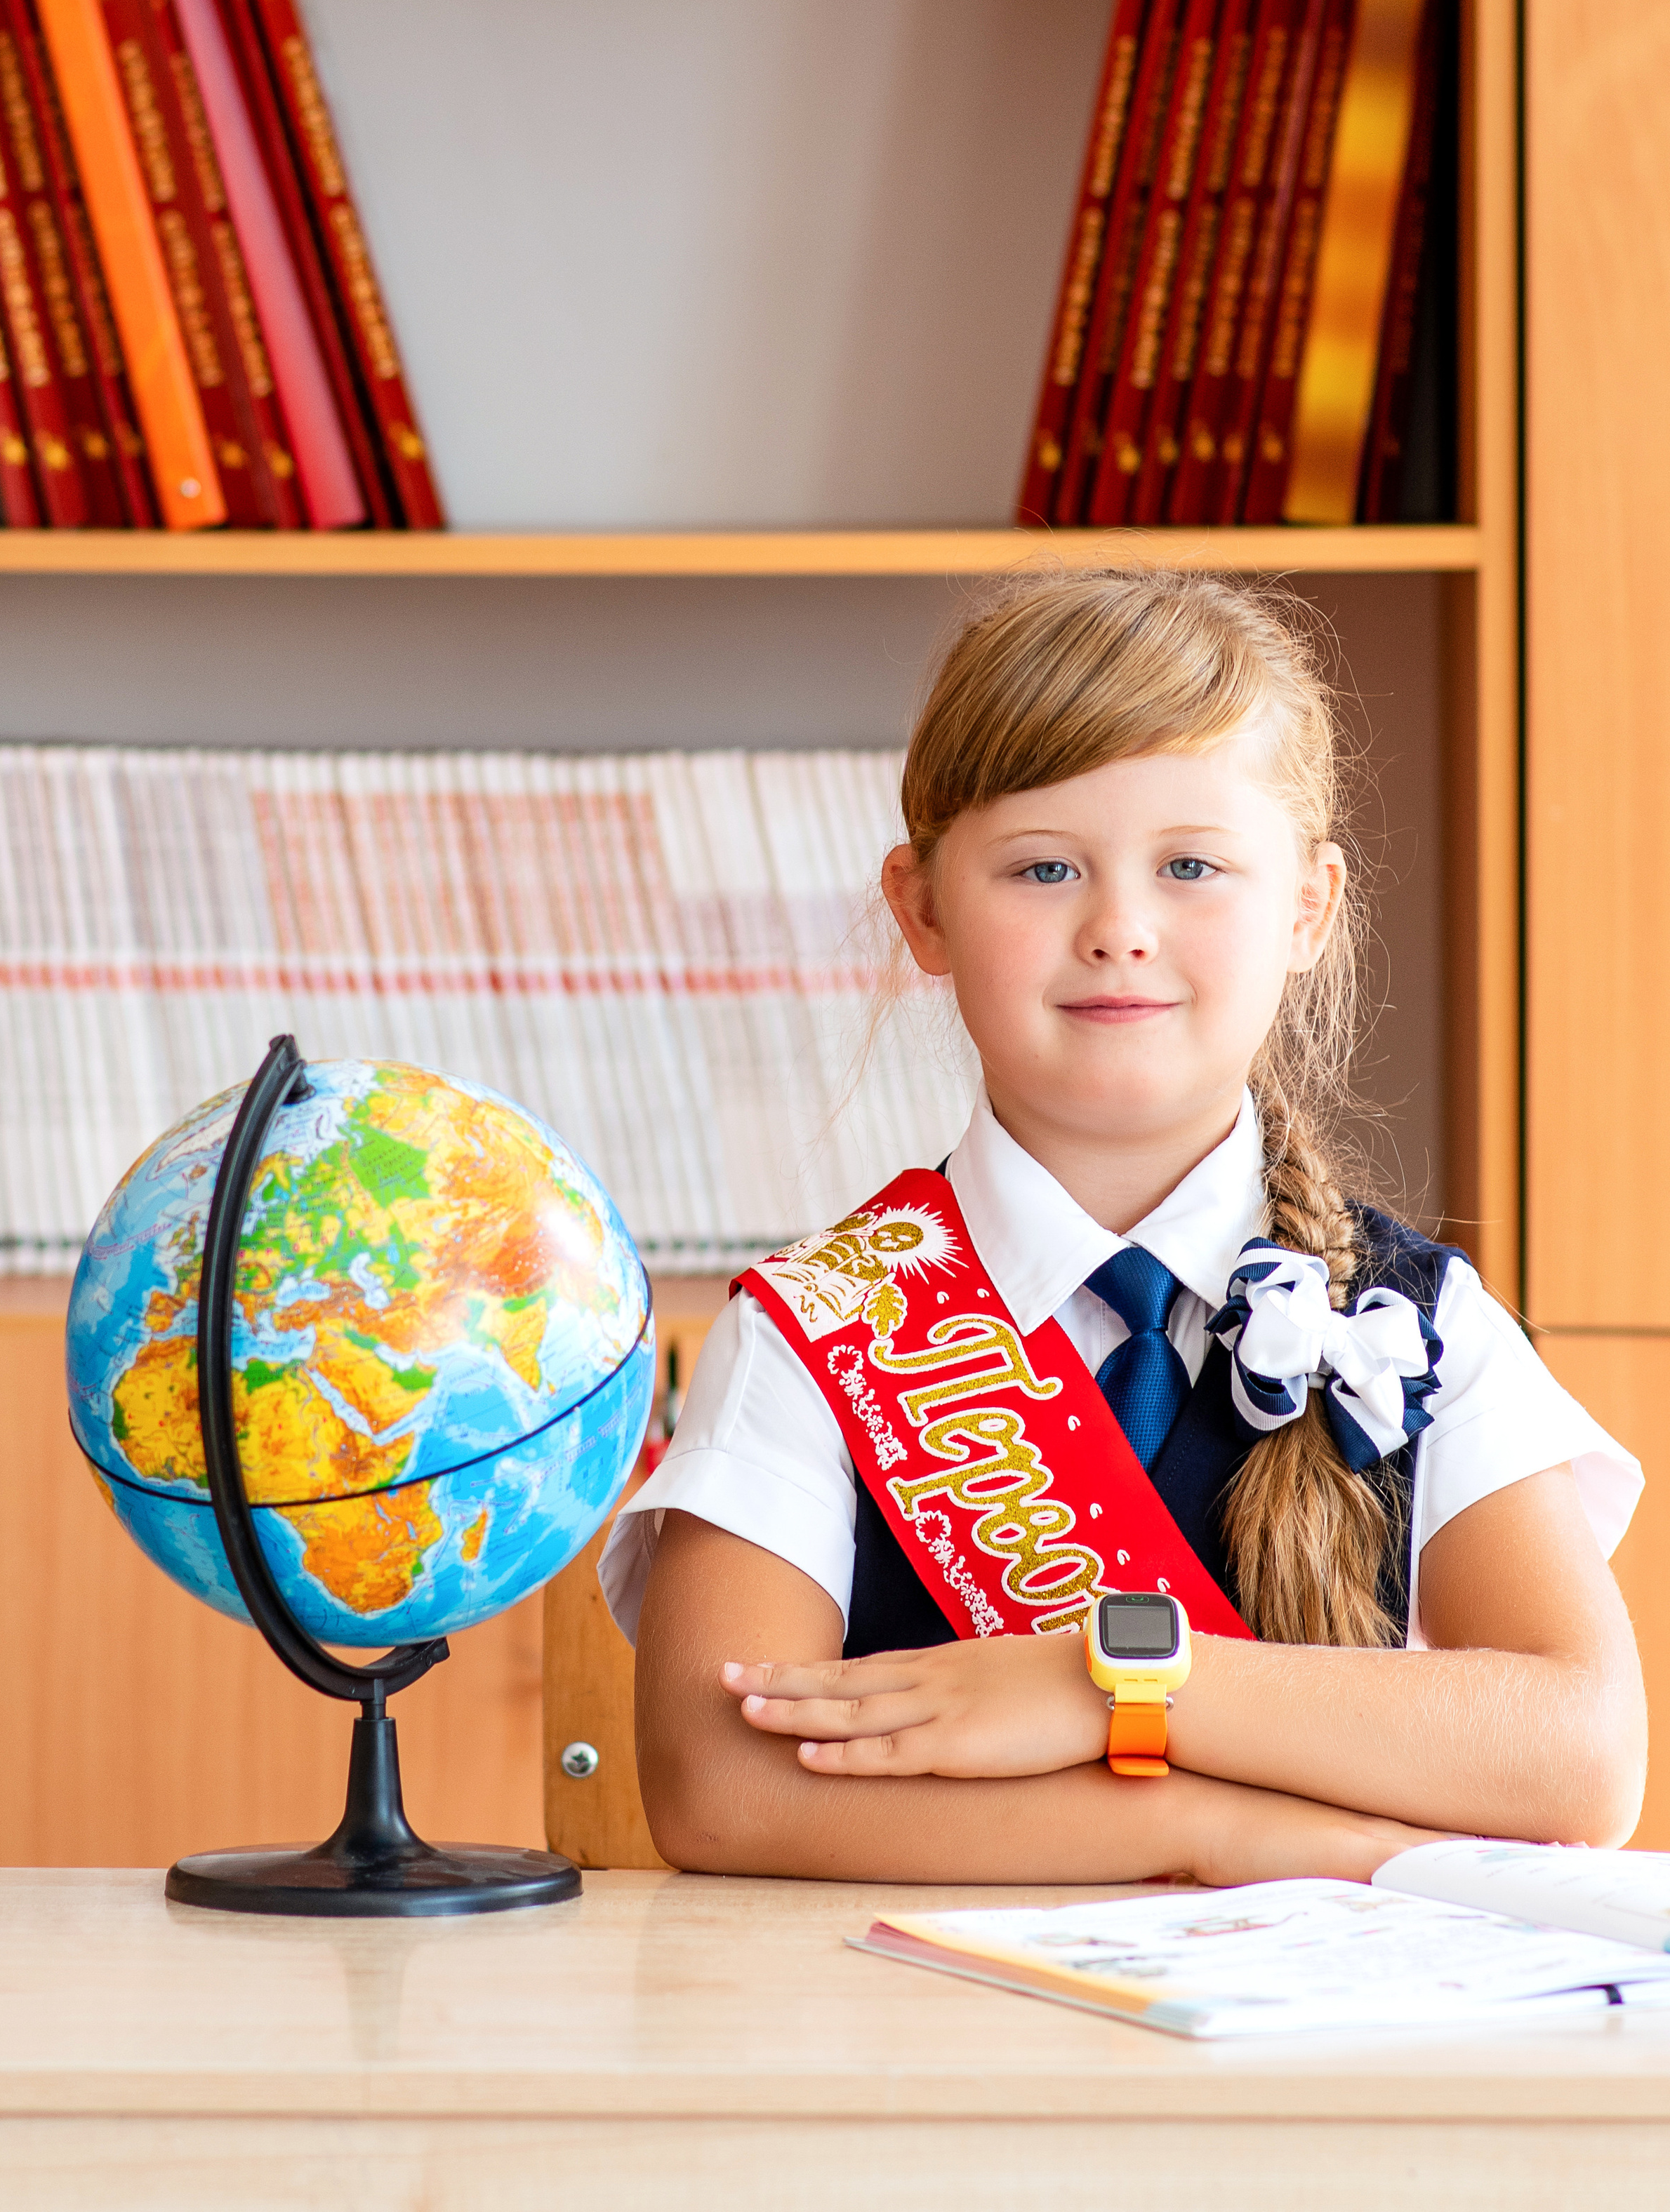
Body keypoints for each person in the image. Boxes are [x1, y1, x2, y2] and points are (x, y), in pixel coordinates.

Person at [599, 571, 1645, 1886]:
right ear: (923, 908)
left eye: (1193, 867)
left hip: (1314, 2074)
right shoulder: (819, 1332)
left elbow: (1582, 1757)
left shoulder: (1416, 1325)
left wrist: (1113, 1682)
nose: (1120, 932)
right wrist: (1202, 1826)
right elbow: (718, 1793)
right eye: (1044, 868)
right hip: (925, 2054)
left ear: (1309, 908)